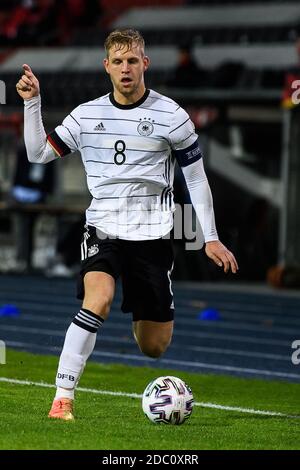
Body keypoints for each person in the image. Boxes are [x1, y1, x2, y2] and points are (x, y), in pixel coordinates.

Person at [16, 28, 238, 421]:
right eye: (117, 61)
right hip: (103, 229)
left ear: (144, 64)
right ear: (106, 66)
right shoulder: (86, 115)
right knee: (96, 300)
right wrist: (33, 103)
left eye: (132, 60)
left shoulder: (172, 116)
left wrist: (211, 238)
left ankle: (136, 310)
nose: (125, 69)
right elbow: (37, 154)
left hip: (153, 237)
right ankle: (62, 398)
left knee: (154, 347)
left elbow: (197, 178)